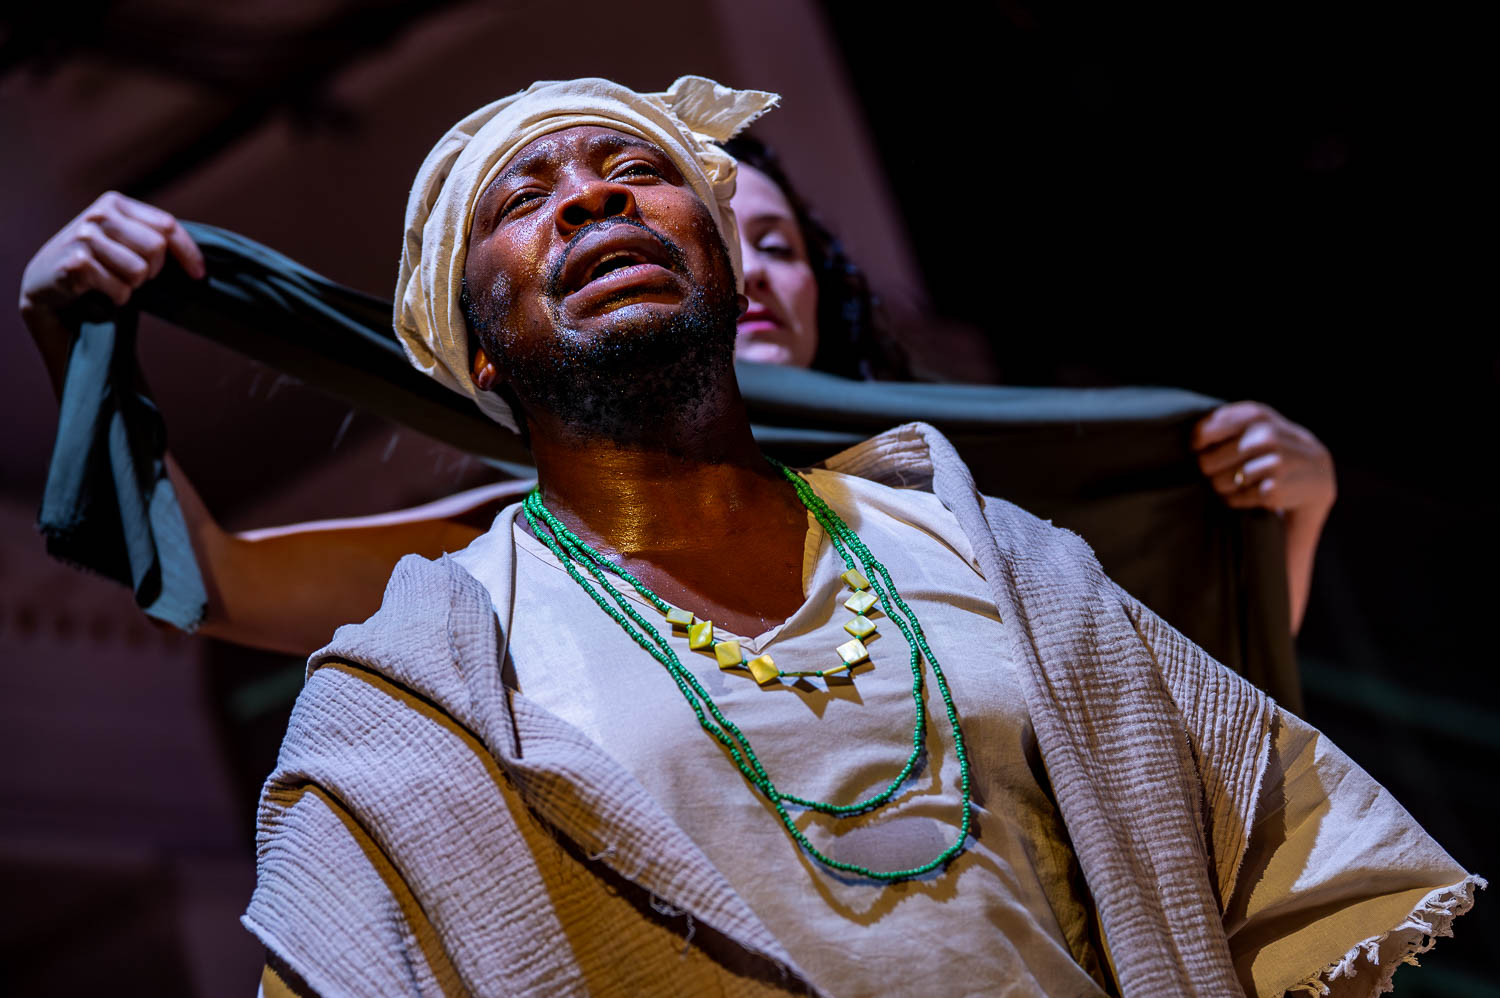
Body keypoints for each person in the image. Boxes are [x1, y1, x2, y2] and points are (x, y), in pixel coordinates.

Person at [24, 75, 1441, 998]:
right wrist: (85, 335)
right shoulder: (453, 641)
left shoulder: (992, 547)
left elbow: (1180, 788)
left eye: (652, 179)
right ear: (475, 357)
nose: (597, 198)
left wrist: (1293, 511)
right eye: (525, 196)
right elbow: (215, 590)